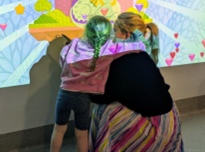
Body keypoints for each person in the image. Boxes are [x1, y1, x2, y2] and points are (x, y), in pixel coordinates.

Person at [89, 13, 184, 152]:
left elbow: (100, 96)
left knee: (102, 110)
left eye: (115, 31)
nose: (112, 36)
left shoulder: (120, 60)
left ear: (127, 35)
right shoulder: (143, 55)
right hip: (169, 123)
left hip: (153, 129)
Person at [50, 15, 146, 152]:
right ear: (108, 33)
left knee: (58, 130)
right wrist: (135, 30)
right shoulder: (110, 49)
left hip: (64, 94)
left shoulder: (73, 44)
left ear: (87, 30)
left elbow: (62, 62)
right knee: (82, 134)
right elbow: (141, 46)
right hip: (83, 99)